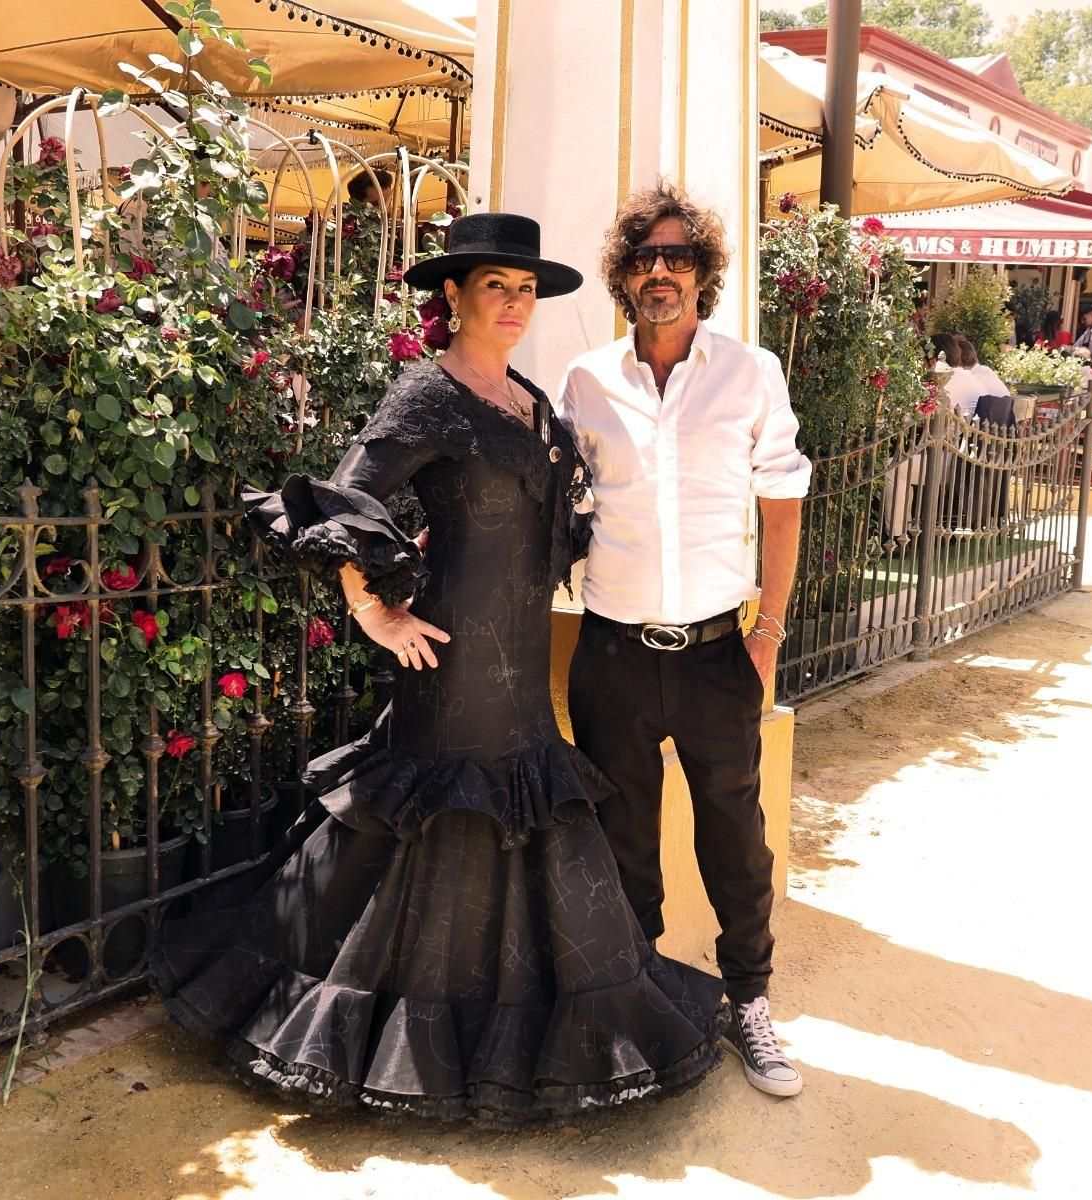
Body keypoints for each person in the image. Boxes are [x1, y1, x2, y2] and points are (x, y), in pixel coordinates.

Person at [153, 213, 728, 1125]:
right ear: (451, 296)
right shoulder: (426, 394)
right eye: (493, 286)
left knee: (515, 813)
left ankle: (502, 1027)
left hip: (521, 665)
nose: (513, 303)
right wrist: (371, 609)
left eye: (525, 288)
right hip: (451, 662)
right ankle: (397, 1038)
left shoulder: (534, 402)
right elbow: (345, 496)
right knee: (444, 815)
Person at [559, 181, 811, 1100]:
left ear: (705, 272)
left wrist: (769, 634)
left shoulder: (751, 373)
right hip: (613, 654)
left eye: (678, 256)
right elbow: (559, 501)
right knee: (620, 840)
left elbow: (783, 503)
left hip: (717, 655)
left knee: (734, 839)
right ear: (622, 277)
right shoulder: (583, 380)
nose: (660, 271)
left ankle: (748, 1000)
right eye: (643, 258)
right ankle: (637, 1001)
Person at [932, 332, 985, 419]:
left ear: (932, 360)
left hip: (949, 431)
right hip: (970, 430)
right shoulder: (972, 378)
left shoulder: (940, 381)